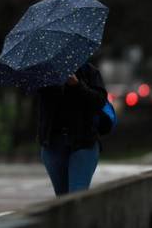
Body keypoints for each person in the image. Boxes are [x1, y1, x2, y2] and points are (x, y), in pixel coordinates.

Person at [36, 61, 107, 196]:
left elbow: (100, 102)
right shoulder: (44, 72)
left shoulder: (89, 71)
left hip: (84, 142)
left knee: (77, 196)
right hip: (53, 144)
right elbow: (44, 107)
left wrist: (77, 85)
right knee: (62, 199)